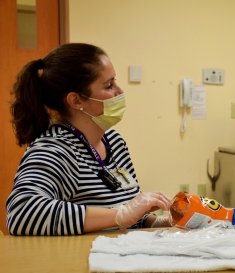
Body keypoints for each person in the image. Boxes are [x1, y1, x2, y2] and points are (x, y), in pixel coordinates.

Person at [7, 43, 172, 235]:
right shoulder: (55, 148)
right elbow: (21, 212)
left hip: (119, 257)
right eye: (109, 85)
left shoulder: (115, 143)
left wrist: (161, 222)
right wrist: (118, 215)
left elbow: (129, 214)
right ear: (76, 101)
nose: (120, 92)